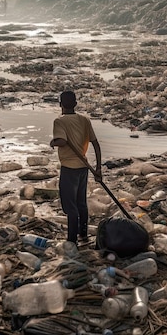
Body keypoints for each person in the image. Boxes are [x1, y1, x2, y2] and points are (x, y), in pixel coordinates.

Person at [50, 90, 102, 244]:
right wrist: (99, 168)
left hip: (69, 169)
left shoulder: (59, 121)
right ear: (76, 104)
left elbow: (61, 141)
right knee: (81, 203)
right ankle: (83, 235)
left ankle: (72, 240)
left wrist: (53, 143)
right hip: (83, 167)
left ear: (60, 105)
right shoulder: (85, 120)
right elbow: (96, 144)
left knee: (70, 206)